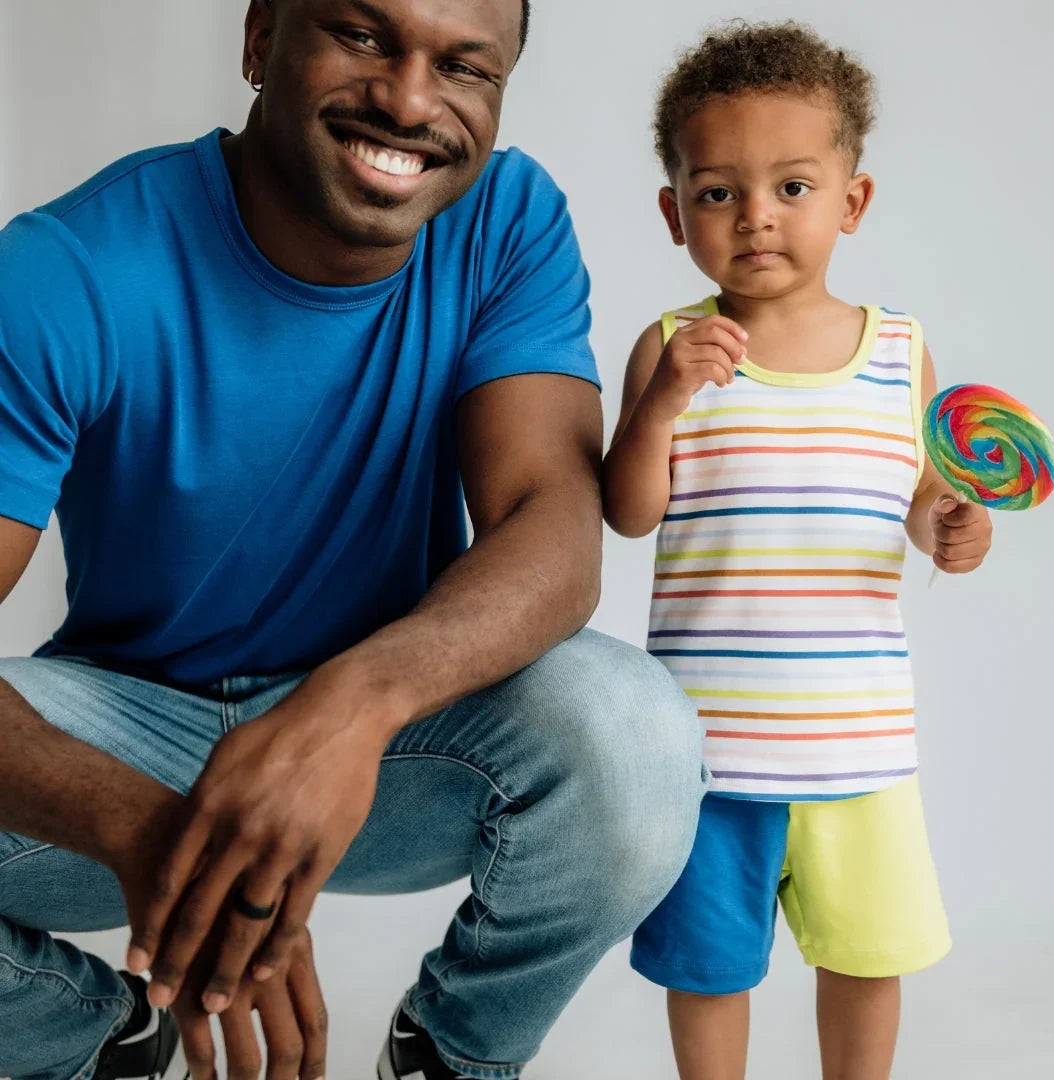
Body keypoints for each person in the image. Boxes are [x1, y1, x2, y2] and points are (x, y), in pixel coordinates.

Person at [0, 2, 707, 1079]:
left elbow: (552, 526)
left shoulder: (504, 218)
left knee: (634, 736)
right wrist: (162, 840)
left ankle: (450, 1058)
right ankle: (95, 1042)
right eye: (364, 36)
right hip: (130, 737)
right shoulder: (69, 267)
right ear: (260, 40)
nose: (410, 102)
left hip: (394, 746)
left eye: (463, 67)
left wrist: (353, 705)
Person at [604, 21, 994, 1080]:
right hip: (706, 751)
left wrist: (950, 525)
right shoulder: (670, 348)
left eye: (792, 186)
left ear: (850, 201)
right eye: (717, 191)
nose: (756, 216)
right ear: (674, 212)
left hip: (858, 744)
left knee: (867, 959)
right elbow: (630, 513)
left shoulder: (900, 352)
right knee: (708, 967)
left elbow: (922, 495)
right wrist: (663, 400)